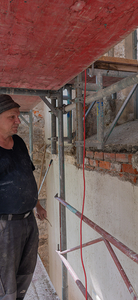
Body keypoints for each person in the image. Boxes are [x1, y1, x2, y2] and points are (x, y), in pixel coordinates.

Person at [0, 94, 47, 300]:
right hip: (6, 226)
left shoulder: (18, 142)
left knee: (26, 272)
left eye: (18, 116)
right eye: (12, 117)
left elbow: (27, 175)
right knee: (5, 279)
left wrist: (37, 205)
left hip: (29, 221)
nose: (18, 121)